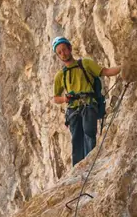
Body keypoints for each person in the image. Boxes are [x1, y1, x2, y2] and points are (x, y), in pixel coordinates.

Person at [51, 36, 121, 166]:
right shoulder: (60, 76)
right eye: (59, 52)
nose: (63, 54)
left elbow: (105, 71)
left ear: (70, 48)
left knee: (89, 132)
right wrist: (65, 98)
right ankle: (79, 167)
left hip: (88, 104)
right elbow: (55, 98)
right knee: (76, 139)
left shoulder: (86, 63)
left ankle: (90, 164)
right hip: (73, 109)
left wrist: (124, 68)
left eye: (64, 50)